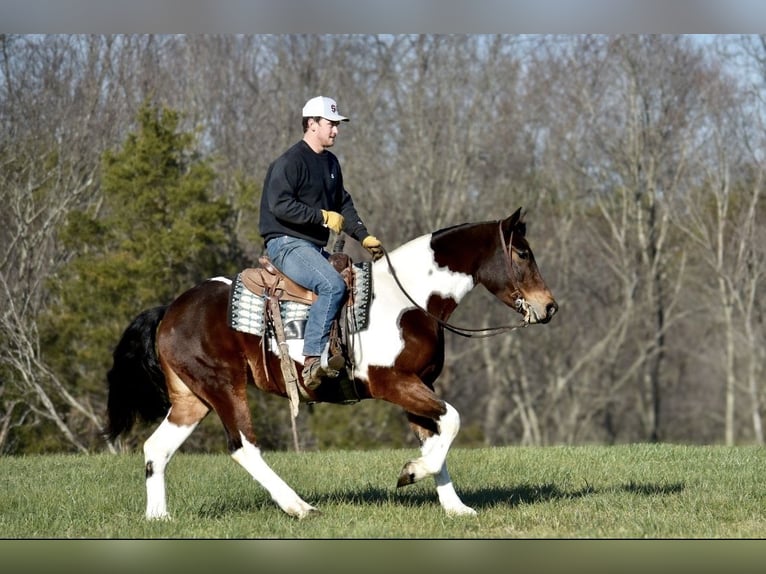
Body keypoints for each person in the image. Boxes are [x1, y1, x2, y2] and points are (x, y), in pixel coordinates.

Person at [258, 96, 384, 390]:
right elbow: (280, 205)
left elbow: (343, 203)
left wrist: (363, 235)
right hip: (285, 244)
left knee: (357, 282)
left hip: (312, 247)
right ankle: (313, 360)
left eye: (337, 125)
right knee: (332, 285)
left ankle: (345, 356)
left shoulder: (330, 163)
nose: (336, 131)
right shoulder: (291, 162)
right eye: (331, 124)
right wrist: (321, 217)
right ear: (312, 124)